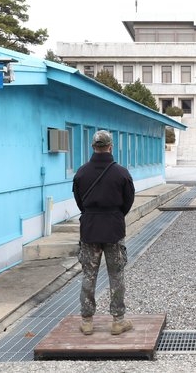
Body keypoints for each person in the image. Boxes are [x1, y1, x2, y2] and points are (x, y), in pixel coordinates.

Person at [72, 130, 135, 336]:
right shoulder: (122, 173)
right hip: (114, 229)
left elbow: (80, 202)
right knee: (116, 275)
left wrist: (92, 214)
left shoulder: (81, 172)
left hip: (89, 228)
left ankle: (87, 321)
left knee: (89, 276)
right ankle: (118, 321)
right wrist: (115, 215)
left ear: (93, 147)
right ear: (110, 146)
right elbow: (128, 202)